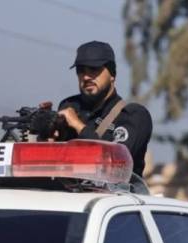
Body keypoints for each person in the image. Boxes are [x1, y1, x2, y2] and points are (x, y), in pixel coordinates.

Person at [55, 40, 152, 178]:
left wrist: (78, 125)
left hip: (116, 191)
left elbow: (117, 162)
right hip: (69, 189)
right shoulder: (69, 106)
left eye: (94, 69)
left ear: (112, 74)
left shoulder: (132, 115)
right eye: (81, 71)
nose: (86, 77)